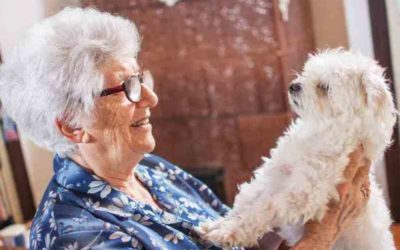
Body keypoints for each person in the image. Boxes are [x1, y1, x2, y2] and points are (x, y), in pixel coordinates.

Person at [0, 8, 370, 250]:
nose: (150, 98)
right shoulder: (74, 235)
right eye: (126, 87)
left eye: (141, 78)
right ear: (72, 126)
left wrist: (306, 203)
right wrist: (322, 235)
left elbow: (240, 238)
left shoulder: (152, 170)